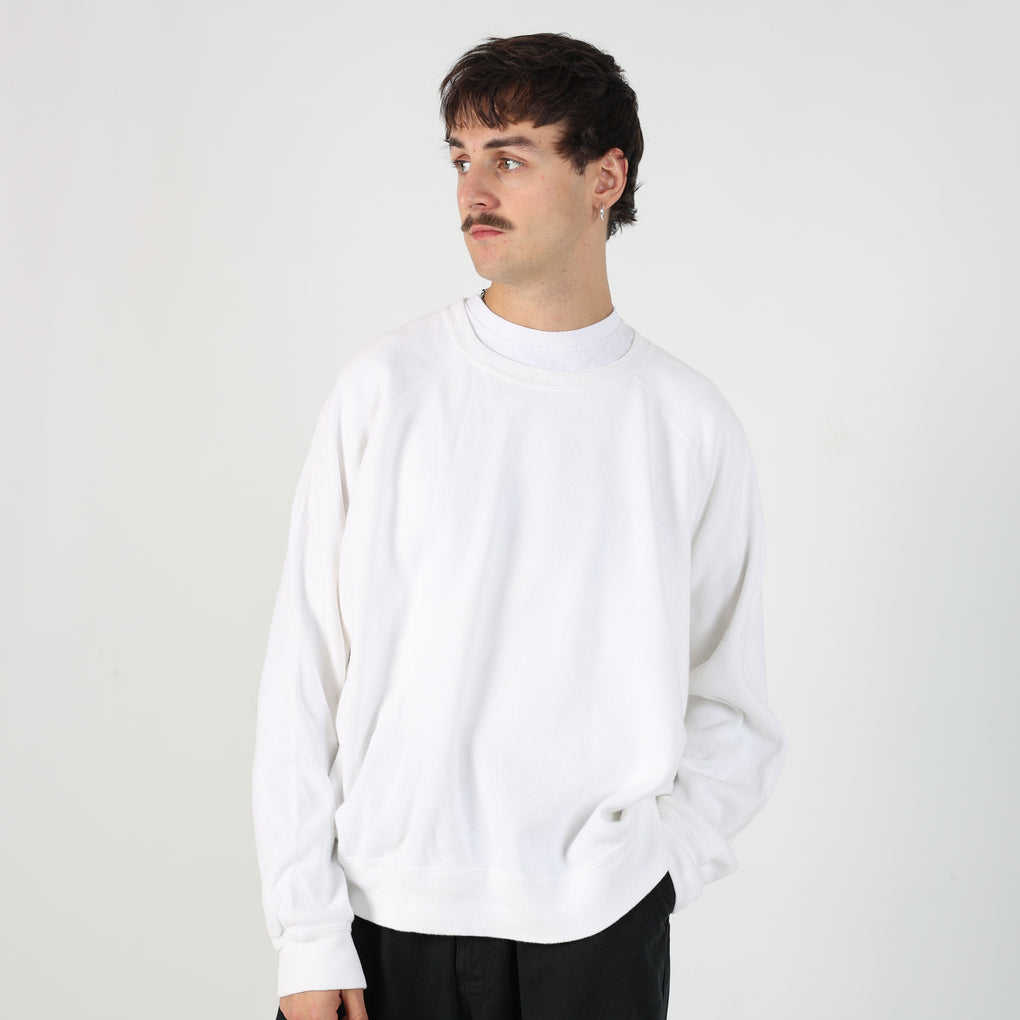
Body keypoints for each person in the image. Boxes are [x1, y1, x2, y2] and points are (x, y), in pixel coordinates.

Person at [253, 32, 785, 1020]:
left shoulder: (685, 422)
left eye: (509, 158)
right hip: (382, 919)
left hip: (599, 933)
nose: (472, 191)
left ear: (604, 178)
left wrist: (656, 872)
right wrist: (307, 934)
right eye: (461, 159)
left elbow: (732, 702)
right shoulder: (388, 388)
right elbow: (304, 675)